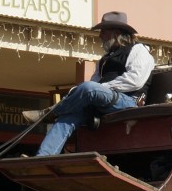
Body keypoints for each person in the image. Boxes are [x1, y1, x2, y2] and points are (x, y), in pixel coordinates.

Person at [25, 10, 154, 156]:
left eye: (103, 32)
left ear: (116, 33)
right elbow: (94, 82)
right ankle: (43, 156)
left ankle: (49, 112)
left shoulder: (139, 50)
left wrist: (100, 88)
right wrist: (85, 90)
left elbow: (135, 80)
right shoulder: (104, 59)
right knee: (67, 117)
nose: (100, 36)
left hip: (129, 101)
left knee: (88, 88)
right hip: (103, 100)